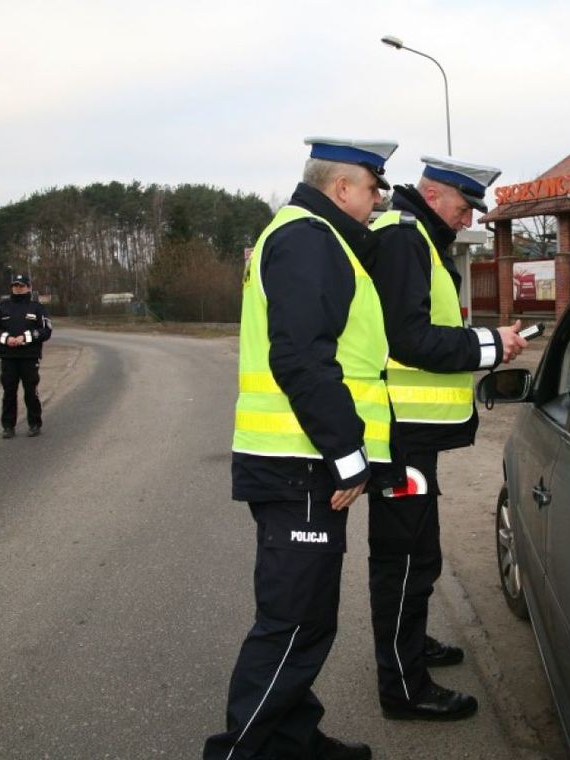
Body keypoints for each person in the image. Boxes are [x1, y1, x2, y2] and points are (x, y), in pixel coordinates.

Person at [203, 137, 398, 760]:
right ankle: (243, 752)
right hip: (302, 463)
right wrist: (346, 453)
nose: (379, 201)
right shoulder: (309, 238)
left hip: (302, 461)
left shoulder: (315, 237)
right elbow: (300, 357)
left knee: (308, 616)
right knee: (292, 622)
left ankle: (293, 740)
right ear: (342, 187)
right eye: (373, 188)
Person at [366, 155, 528, 722]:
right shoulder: (404, 240)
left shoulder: (414, 239)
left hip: (411, 435)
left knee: (418, 553)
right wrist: (489, 346)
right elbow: (408, 338)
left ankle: (409, 648)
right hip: (398, 434)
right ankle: (404, 686)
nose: (468, 220)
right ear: (434, 196)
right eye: (464, 207)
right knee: (403, 559)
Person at [0, 273, 53, 439]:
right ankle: (8, 426)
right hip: (8, 358)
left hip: (29, 357)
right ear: (12, 288)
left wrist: (26, 337)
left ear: (29, 287)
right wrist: (6, 338)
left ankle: (34, 424)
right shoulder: (3, 308)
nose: (18, 288)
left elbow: (46, 331)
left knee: (31, 391)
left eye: (22, 285)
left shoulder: (37, 308)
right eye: (15, 285)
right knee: (9, 392)